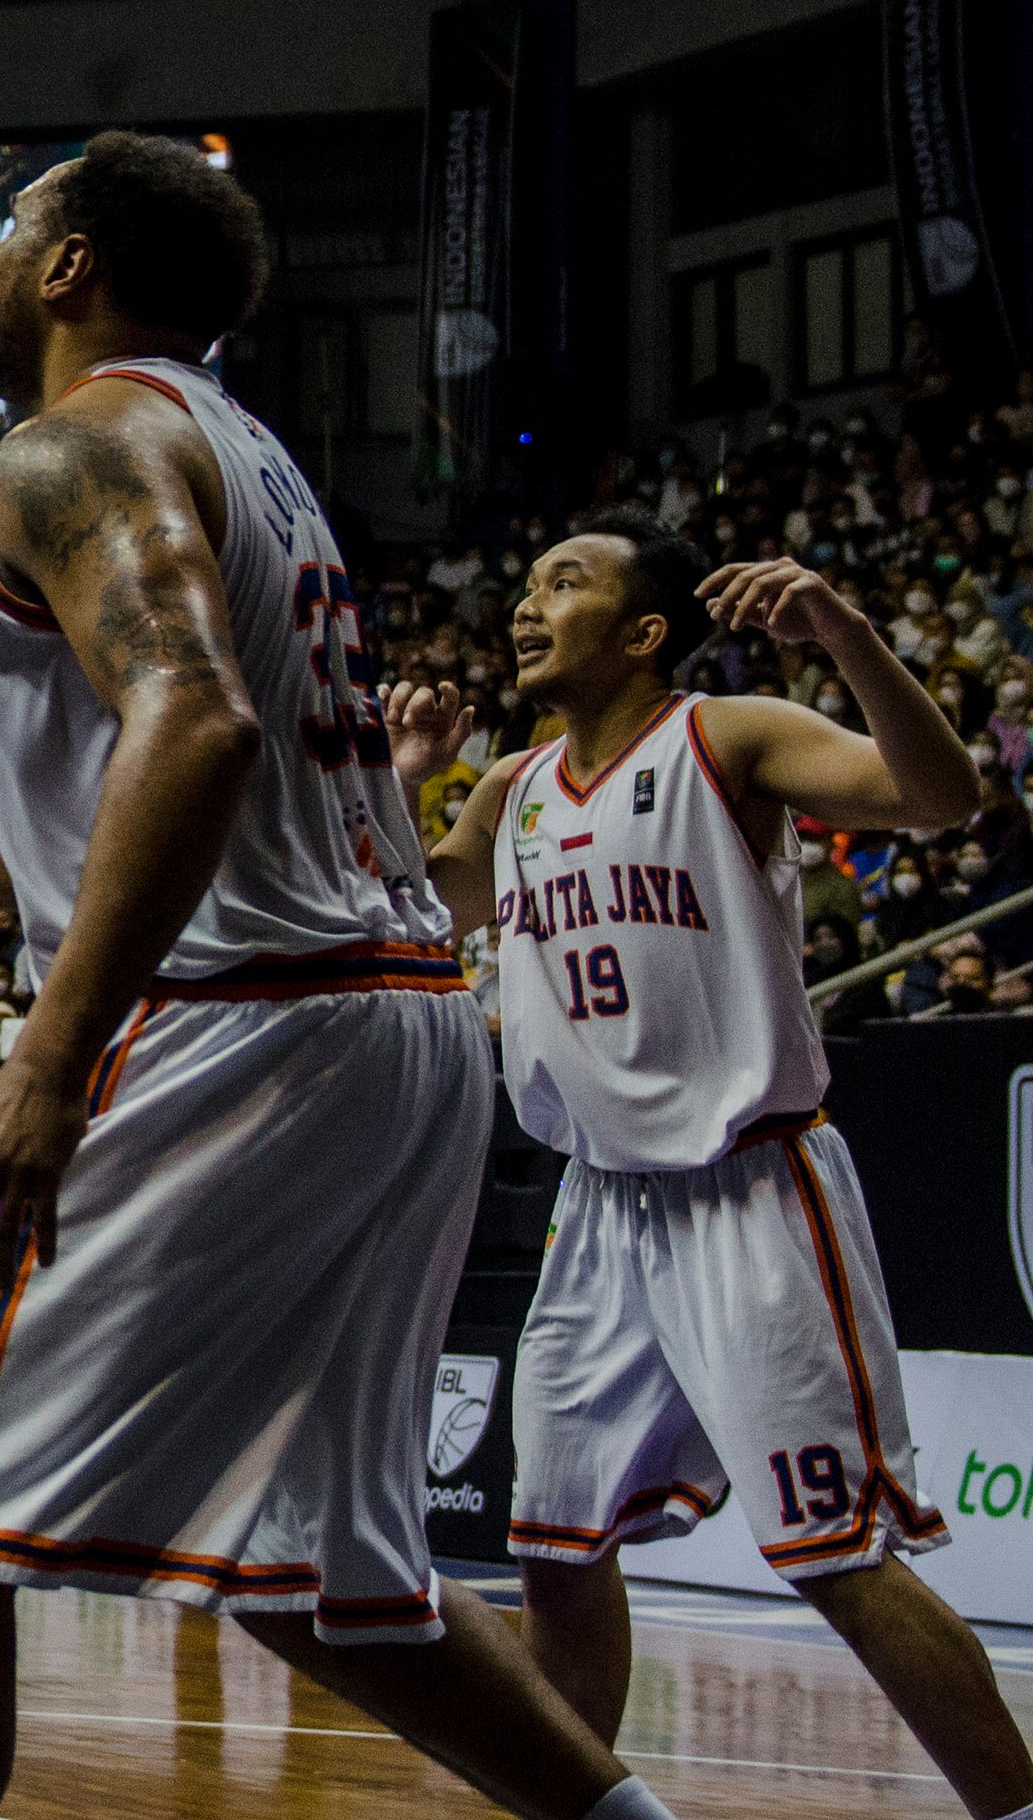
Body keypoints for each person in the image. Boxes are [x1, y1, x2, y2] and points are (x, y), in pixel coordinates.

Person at [0, 136, 665, 1820]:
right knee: (327, 1568)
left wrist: (51, 1055)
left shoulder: (72, 445)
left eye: (7, 235)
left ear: (72, 269)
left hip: (243, 1029)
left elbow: (191, 724)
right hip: (398, 1017)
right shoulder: (243, 453)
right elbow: (158, 787)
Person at [391, 516, 1033, 1819]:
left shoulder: (726, 734)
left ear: (642, 631)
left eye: (562, 582)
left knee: (834, 1555)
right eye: (524, 582)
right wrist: (410, 776)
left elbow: (942, 796)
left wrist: (844, 635)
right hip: (599, 1207)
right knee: (558, 1552)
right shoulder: (510, 786)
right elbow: (410, 915)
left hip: (751, 1188)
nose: (526, 605)